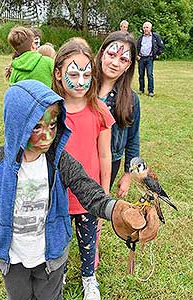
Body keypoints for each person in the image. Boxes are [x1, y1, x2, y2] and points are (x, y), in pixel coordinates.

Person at [0, 79, 159, 300]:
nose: (47, 136)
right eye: (37, 127)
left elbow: (88, 190)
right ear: (17, 125)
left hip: (51, 259)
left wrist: (118, 210)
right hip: (12, 259)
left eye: (53, 125)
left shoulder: (59, 160)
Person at [53, 37, 115, 300]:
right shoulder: (51, 110)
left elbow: (104, 155)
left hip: (88, 197)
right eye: (73, 73)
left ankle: (89, 277)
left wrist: (103, 195)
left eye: (87, 74)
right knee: (59, 241)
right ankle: (60, 273)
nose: (80, 81)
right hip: (57, 196)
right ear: (58, 73)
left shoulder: (99, 110)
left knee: (89, 242)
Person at [95, 30, 140, 271]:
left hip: (109, 162)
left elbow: (133, 139)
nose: (115, 62)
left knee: (98, 205)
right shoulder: (82, 85)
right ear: (102, 53)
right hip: (76, 157)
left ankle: (93, 245)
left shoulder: (130, 99)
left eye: (123, 59)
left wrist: (127, 174)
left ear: (129, 65)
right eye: (112, 54)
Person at [137, 21, 165, 97]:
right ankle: (141, 89)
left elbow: (161, 46)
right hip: (141, 58)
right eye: (144, 27)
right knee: (141, 75)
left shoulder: (155, 36)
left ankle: (150, 91)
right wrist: (137, 55)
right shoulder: (140, 38)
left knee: (150, 74)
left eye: (147, 27)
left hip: (150, 58)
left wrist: (157, 54)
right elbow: (137, 47)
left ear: (150, 28)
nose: (145, 29)